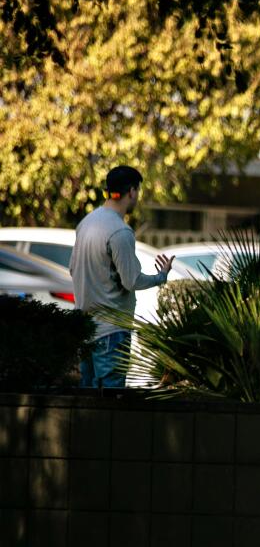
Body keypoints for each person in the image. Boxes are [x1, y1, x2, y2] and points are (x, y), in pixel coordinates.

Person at [69, 166, 174, 389]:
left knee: (86, 408)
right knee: (110, 408)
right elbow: (132, 281)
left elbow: (72, 269)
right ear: (132, 191)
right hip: (111, 333)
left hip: (85, 330)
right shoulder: (120, 231)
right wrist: (161, 276)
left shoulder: (85, 224)